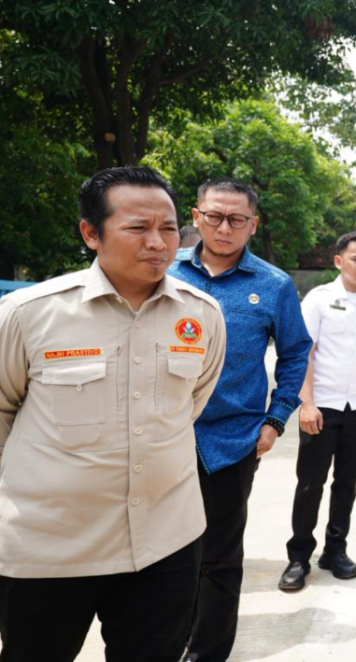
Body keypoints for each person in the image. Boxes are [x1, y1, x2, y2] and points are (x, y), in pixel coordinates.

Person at [0, 166, 227, 662]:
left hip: (165, 544)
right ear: (90, 233)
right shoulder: (28, 314)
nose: (158, 242)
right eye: (137, 228)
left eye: (168, 228)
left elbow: (189, 405)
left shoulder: (202, 314)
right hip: (52, 549)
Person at [168, 177, 312, 662]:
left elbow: (295, 353)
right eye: (213, 216)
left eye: (236, 219)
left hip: (232, 440)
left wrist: (276, 418)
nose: (223, 227)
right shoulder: (165, 274)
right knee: (164, 554)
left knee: (220, 557)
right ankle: (171, 639)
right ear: (195, 215)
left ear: (254, 223)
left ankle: (208, 652)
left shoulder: (273, 285)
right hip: (161, 437)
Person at [279, 232, 356, 591]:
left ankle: (335, 550)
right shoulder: (319, 300)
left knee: (346, 485)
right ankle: (298, 557)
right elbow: (304, 352)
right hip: (322, 407)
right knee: (310, 484)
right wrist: (306, 403)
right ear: (339, 261)